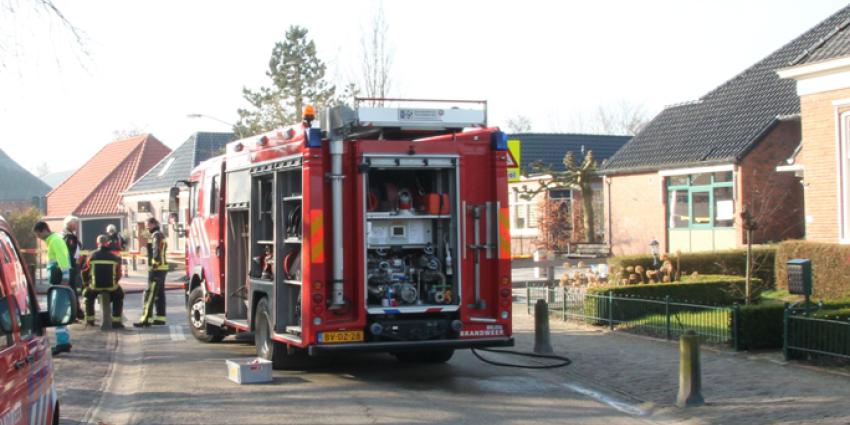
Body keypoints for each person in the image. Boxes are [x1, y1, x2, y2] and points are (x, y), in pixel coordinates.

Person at [33, 221, 73, 355]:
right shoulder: (54, 240)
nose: (39, 237)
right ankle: (63, 342)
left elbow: (62, 259)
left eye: (39, 234)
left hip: (59, 281)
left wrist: (65, 277)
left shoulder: (55, 240)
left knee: (58, 312)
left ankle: (63, 343)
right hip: (58, 281)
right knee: (58, 311)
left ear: (44, 230)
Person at [82, 235, 125, 329]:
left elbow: (84, 271)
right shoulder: (115, 257)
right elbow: (119, 273)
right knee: (119, 295)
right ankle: (116, 322)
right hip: (111, 287)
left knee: (87, 296)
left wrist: (86, 283)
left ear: (97, 243)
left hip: (94, 287)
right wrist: (115, 281)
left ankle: (90, 321)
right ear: (107, 243)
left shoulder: (91, 255)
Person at [134, 217, 168, 327]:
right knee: (160, 294)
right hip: (162, 268)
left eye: (148, 225)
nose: (147, 227)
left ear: (153, 224)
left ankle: (145, 320)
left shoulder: (156, 235)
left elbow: (156, 250)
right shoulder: (160, 234)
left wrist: (154, 264)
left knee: (150, 294)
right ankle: (160, 318)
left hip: (157, 269)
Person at [62, 216, 85, 319]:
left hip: (72, 267)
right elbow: (71, 253)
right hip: (71, 268)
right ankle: (75, 312)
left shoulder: (68, 235)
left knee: (73, 289)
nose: (76, 225)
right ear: (70, 224)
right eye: (75, 223)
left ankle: (76, 311)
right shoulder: (69, 237)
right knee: (72, 290)